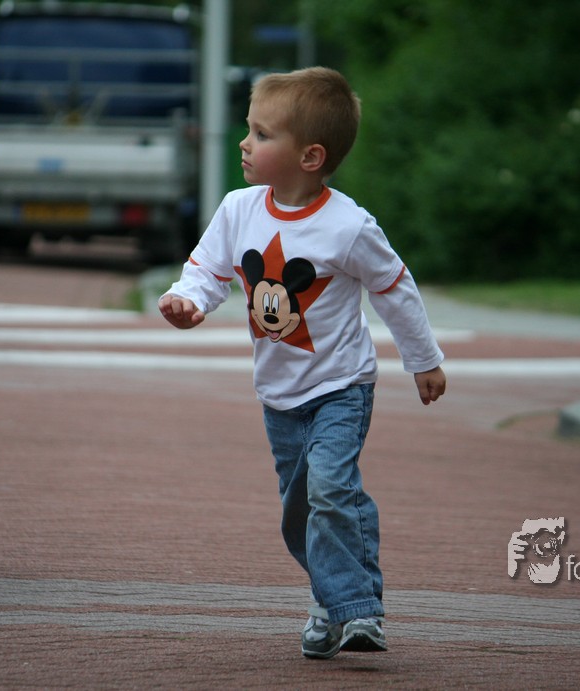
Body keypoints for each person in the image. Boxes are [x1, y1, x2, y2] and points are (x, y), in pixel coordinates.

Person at [159, 67, 447, 659]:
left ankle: (357, 610)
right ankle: (328, 597)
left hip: (341, 386)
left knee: (331, 489)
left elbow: (394, 288)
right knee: (299, 512)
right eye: (249, 129)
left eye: (262, 134)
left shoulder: (348, 226)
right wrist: (188, 300)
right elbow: (208, 270)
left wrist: (423, 360)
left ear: (310, 156)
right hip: (279, 395)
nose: (245, 143)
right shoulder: (238, 209)